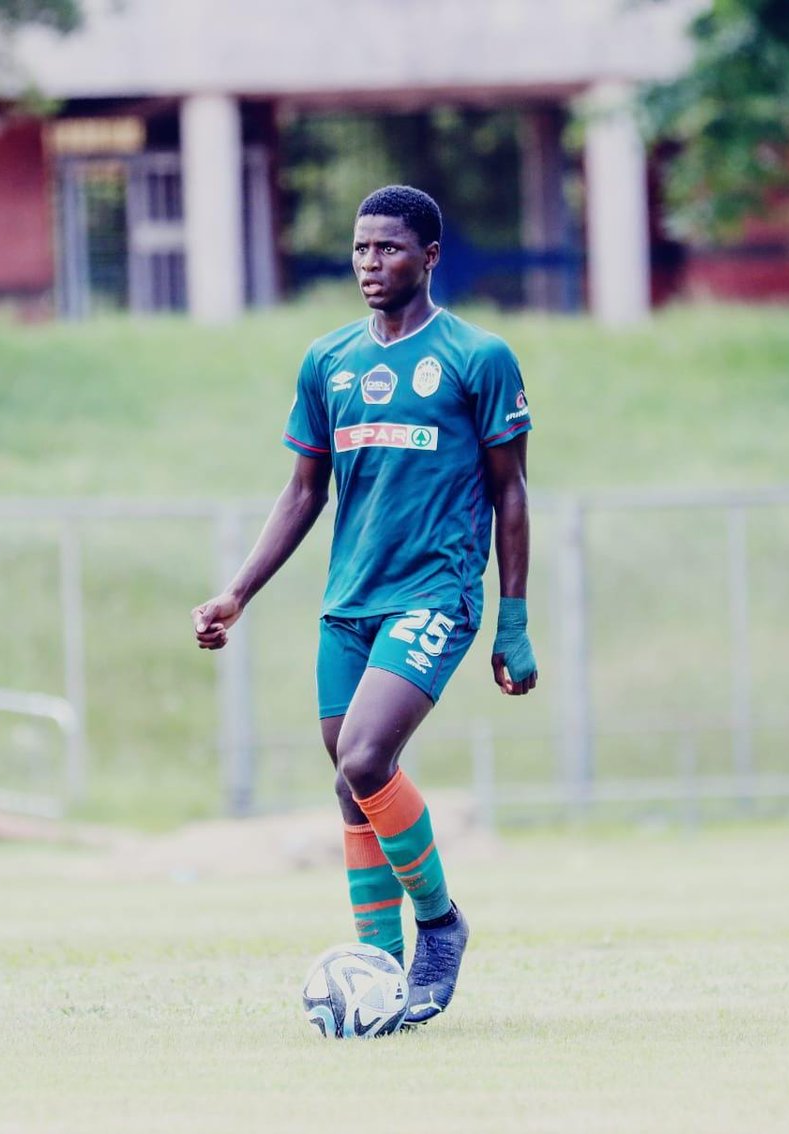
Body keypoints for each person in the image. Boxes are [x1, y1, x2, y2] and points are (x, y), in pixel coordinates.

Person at [192, 184, 537, 1026]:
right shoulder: (329, 361)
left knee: (365, 758)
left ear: (429, 257)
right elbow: (303, 492)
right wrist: (237, 591)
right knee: (351, 787)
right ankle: (379, 967)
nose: (370, 265)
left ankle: (441, 926)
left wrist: (513, 619)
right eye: (359, 250)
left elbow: (513, 491)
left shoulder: (477, 358)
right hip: (348, 602)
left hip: (435, 594)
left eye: (387, 249)